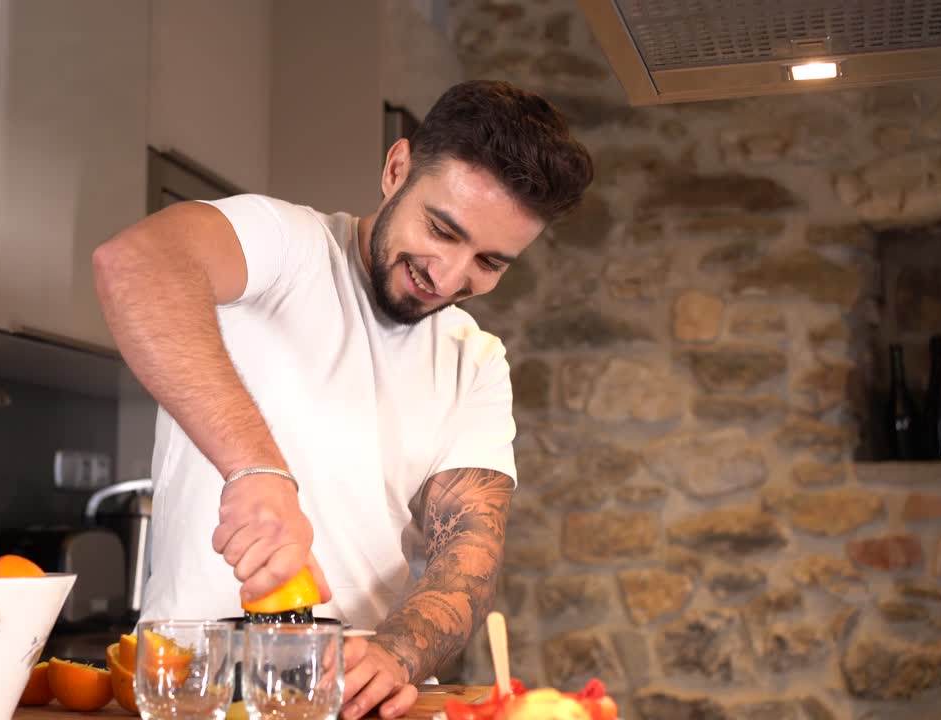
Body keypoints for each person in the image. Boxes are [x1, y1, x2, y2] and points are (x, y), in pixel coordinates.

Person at [92, 79, 593, 719]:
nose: (448, 276)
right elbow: (135, 264)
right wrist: (256, 471)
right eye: (441, 229)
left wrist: (395, 655)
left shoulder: (477, 361)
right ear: (396, 169)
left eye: (489, 263)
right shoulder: (283, 245)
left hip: (359, 705)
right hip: (194, 696)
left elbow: (467, 553)